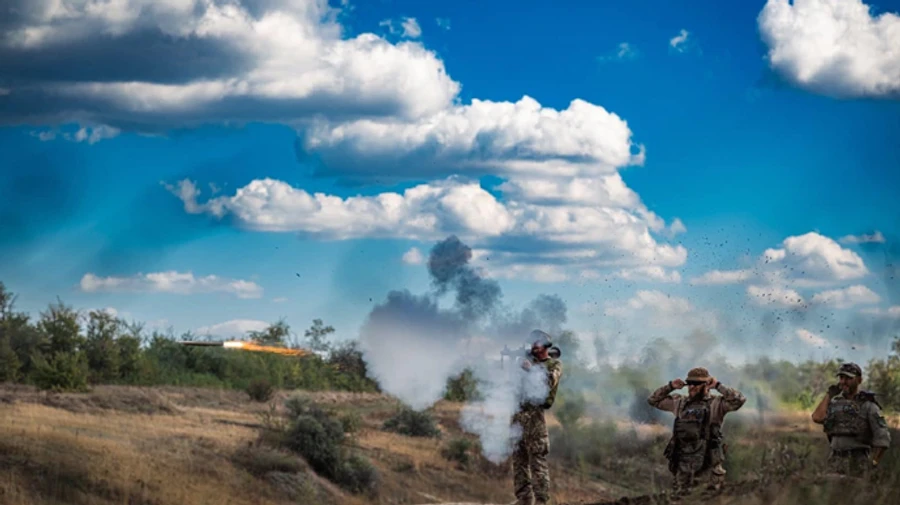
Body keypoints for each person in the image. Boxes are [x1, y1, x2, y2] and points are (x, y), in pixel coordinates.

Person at [647, 367, 746, 501]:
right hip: (683, 467)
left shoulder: (717, 404)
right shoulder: (680, 403)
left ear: (706, 385)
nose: (692, 387)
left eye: (697, 383)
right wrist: (671, 386)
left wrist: (718, 385)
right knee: (680, 500)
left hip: (708, 468)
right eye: (690, 383)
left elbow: (739, 400)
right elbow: (653, 400)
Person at [811, 362, 891, 477]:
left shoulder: (869, 406)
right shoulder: (834, 403)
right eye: (841, 378)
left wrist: (873, 463)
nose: (843, 382)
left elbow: (883, 439)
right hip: (835, 460)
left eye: (848, 378)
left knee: (854, 492)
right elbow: (817, 417)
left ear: (859, 380)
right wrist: (829, 395)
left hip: (857, 460)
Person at [511, 329, 563, 505]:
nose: (532, 346)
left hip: (535, 416)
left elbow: (549, 381)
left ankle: (541, 501)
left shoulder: (554, 365)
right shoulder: (526, 361)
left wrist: (530, 369)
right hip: (518, 414)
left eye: (536, 343)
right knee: (519, 460)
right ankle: (524, 498)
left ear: (545, 345)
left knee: (537, 460)